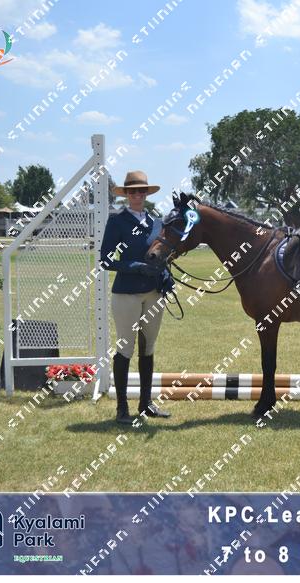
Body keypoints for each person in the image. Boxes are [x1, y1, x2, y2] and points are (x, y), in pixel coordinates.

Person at [100, 170, 171, 424]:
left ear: (146, 193)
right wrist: (135, 267)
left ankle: (146, 403)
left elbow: (163, 255)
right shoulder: (117, 221)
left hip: (153, 293)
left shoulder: (158, 222)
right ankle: (122, 408)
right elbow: (106, 259)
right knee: (125, 348)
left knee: (148, 348)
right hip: (126, 293)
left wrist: (166, 276)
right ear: (126, 194)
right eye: (133, 191)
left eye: (141, 191)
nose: (137, 195)